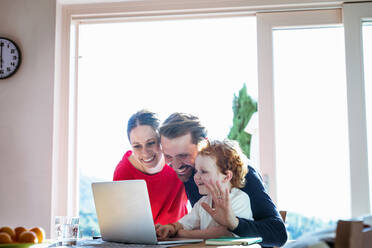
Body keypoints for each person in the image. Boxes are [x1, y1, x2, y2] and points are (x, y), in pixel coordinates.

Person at [159, 113, 288, 247]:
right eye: (168, 156)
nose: (176, 166)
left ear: (204, 145)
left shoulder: (241, 174)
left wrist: (234, 224)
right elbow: (200, 225)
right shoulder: (192, 175)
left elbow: (278, 234)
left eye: (183, 155)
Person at [156, 139, 253, 239]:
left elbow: (224, 232)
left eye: (204, 171)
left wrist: (179, 234)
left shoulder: (240, 198)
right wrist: (170, 228)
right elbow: (184, 224)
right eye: (196, 171)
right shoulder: (203, 202)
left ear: (227, 176)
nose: (196, 177)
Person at [113, 110, 188, 225]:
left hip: (180, 237)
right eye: (137, 146)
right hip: (141, 241)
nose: (145, 153)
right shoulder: (124, 171)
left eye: (151, 143)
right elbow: (123, 224)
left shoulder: (179, 163)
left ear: (162, 140)